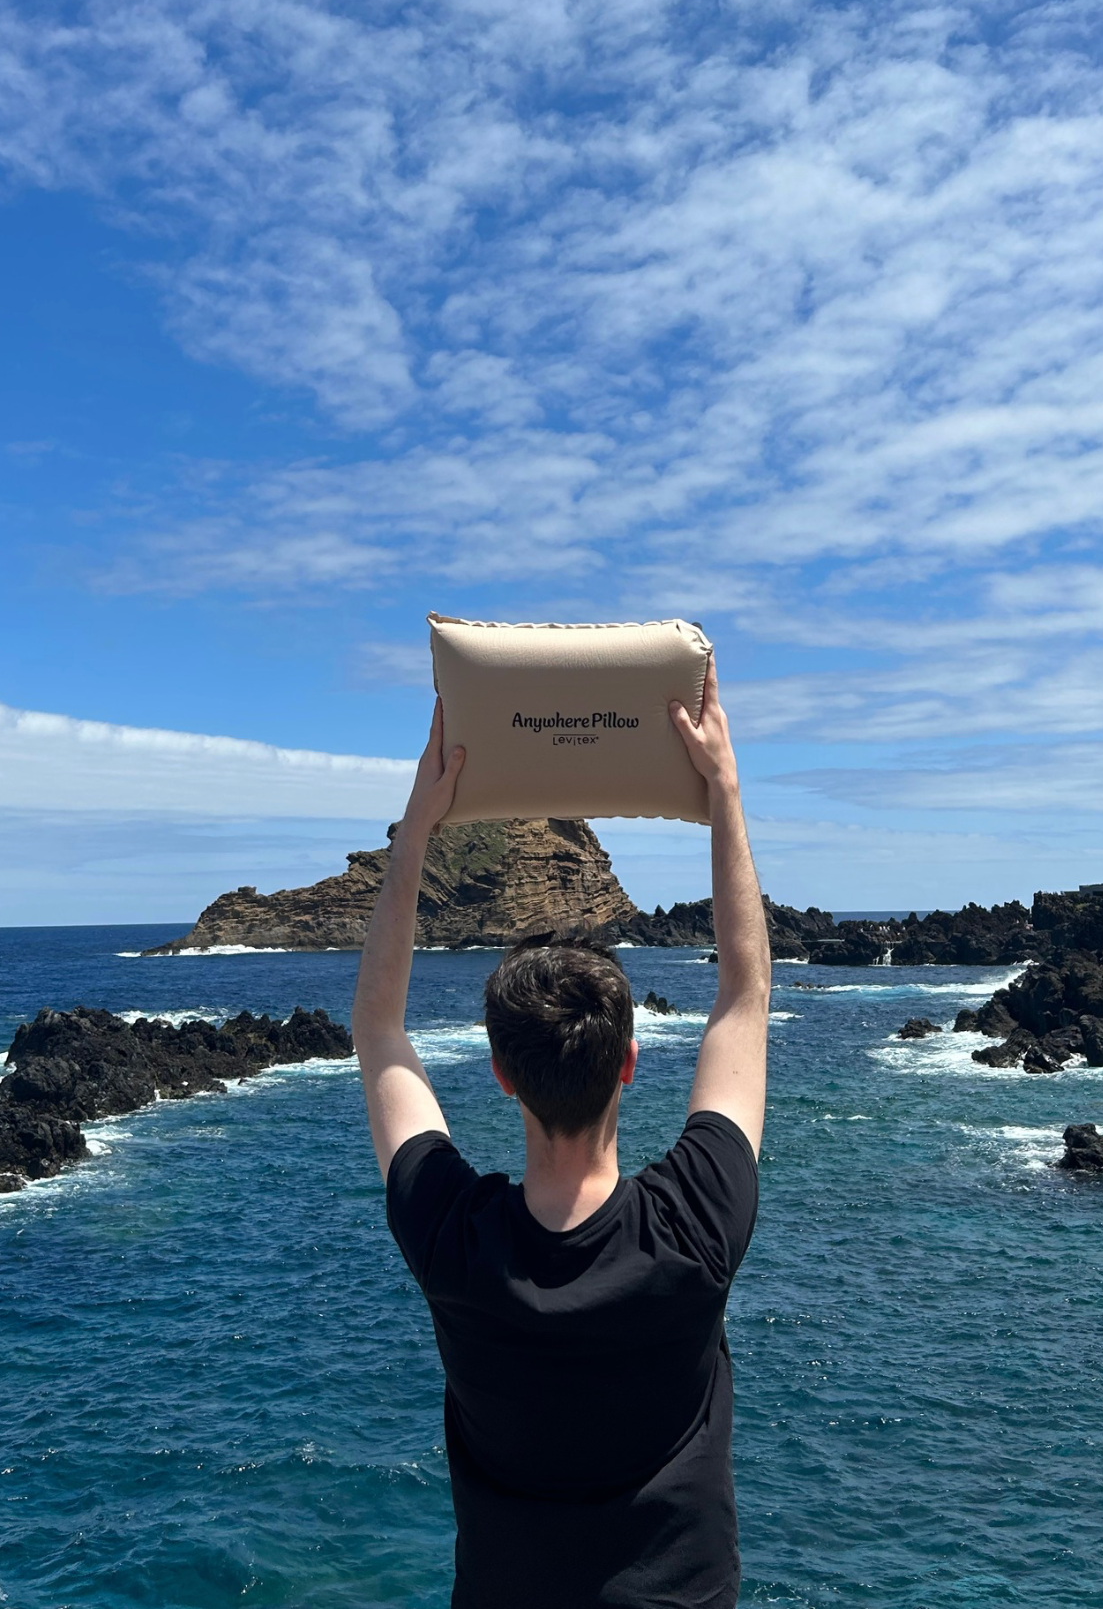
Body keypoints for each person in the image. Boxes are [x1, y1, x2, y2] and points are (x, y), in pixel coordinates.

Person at [355, 666, 771, 1608]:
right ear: (628, 1063)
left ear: (502, 1076)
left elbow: (380, 1030)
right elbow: (743, 1003)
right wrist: (723, 793)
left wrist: (416, 827)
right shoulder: (696, 1226)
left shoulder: (455, 1239)